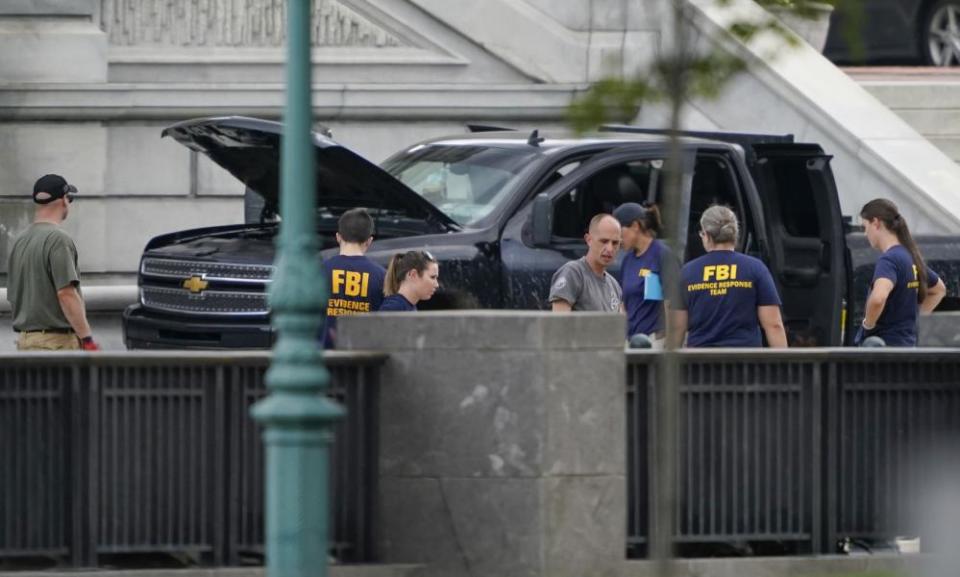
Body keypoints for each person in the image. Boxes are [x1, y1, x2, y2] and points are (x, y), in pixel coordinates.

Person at [672, 205, 787, 348]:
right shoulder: (755, 268)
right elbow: (774, 325)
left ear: (707, 235)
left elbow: (677, 328)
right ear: (735, 233)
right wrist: (783, 365)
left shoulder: (687, 272)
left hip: (701, 364)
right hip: (744, 362)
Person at [7, 174, 99, 351]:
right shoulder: (58, 239)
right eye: (69, 198)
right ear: (64, 200)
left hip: (25, 343)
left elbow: (13, 296)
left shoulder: (20, 241)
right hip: (56, 345)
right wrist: (87, 339)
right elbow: (66, 294)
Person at [855, 198, 946, 347]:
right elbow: (939, 289)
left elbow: (878, 298)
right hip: (907, 350)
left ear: (876, 223)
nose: (865, 233)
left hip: (885, 351)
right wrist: (915, 321)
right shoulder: (910, 256)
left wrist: (867, 326)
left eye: (865, 227)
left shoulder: (889, 260)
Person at [613, 202, 679, 345]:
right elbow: (624, 304)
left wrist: (671, 343)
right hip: (630, 341)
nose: (617, 239)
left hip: (654, 341)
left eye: (619, 232)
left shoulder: (662, 255)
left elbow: (672, 303)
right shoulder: (627, 260)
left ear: (635, 226)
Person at [321, 208, 386, 347]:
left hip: (324, 356)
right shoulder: (381, 275)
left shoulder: (319, 271)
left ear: (338, 237)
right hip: (364, 357)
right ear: (369, 241)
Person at [549, 213, 623, 312]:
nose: (610, 248)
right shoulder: (573, 273)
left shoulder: (614, 286)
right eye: (604, 241)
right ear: (589, 240)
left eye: (615, 243)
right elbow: (559, 323)